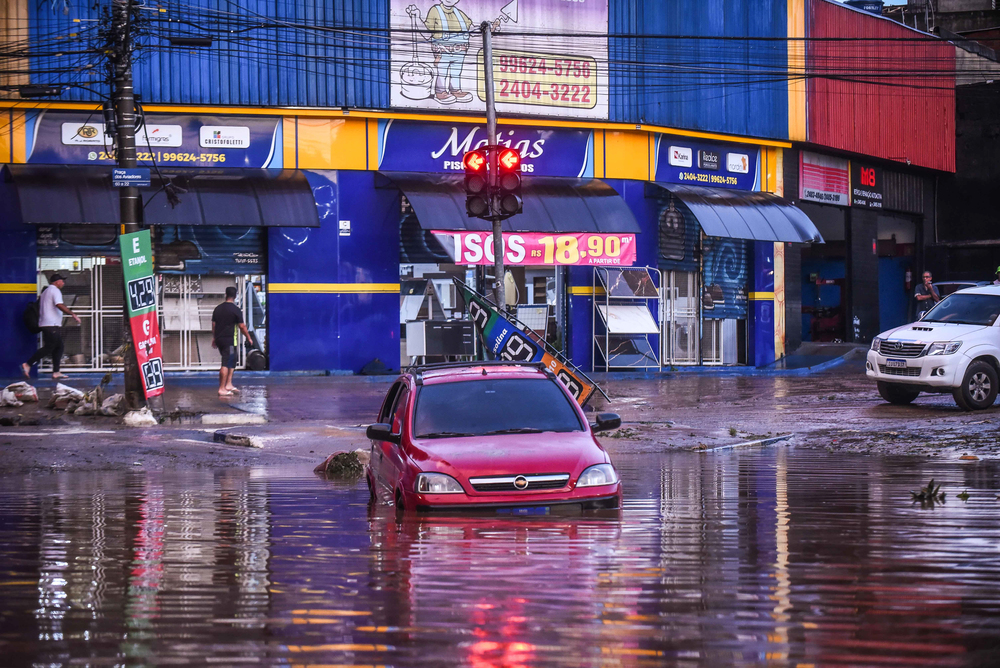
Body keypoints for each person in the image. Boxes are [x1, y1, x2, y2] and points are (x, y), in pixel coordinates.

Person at [22, 273, 81, 380]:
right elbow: (59, 304)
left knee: (59, 347)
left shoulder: (45, 291)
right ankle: (28, 364)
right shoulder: (55, 290)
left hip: (47, 324)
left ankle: (56, 372)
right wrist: (72, 314)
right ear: (56, 282)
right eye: (62, 281)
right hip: (51, 325)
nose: (63, 282)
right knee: (49, 347)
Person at [212, 286, 251, 397]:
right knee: (226, 362)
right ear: (235, 296)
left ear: (226, 295)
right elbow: (242, 326)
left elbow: (214, 325)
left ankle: (228, 384)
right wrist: (249, 337)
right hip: (229, 340)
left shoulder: (218, 308)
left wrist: (214, 338)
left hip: (220, 339)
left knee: (232, 360)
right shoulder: (235, 309)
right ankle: (221, 388)